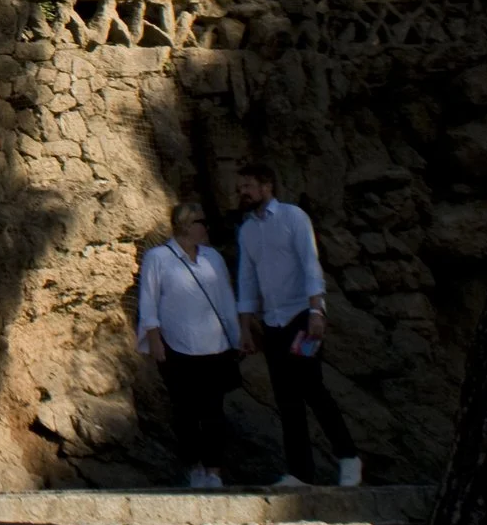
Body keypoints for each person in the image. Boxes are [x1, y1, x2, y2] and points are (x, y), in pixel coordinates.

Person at [234, 163, 362, 487]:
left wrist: (317, 311)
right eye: (240, 187)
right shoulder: (247, 230)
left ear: (267, 186)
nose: (243, 193)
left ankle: (348, 457)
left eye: (248, 186)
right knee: (286, 397)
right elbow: (247, 279)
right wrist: (245, 327)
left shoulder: (293, 217)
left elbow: (310, 264)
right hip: (273, 322)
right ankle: (300, 473)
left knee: (313, 388)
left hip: (302, 316)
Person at [137, 198, 242, 488]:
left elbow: (225, 300)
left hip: (215, 348)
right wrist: (154, 340)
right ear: (185, 226)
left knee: (213, 412)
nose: (206, 228)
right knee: (185, 411)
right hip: (176, 347)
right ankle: (194, 467)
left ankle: (214, 470)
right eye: (201, 223)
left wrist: (237, 337)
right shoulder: (159, 258)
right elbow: (148, 300)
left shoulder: (213, 258)